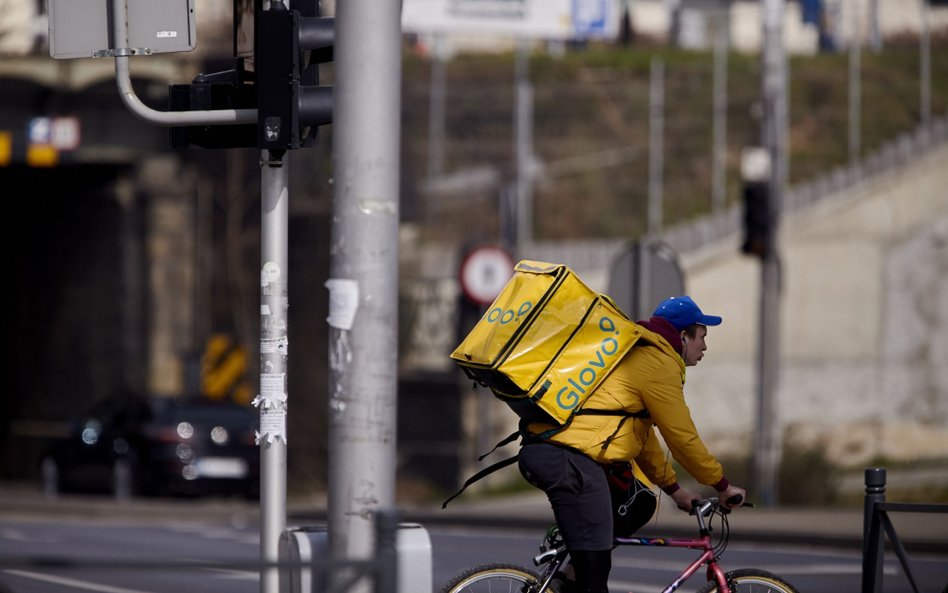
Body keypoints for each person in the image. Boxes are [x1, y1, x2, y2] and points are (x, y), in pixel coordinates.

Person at [517, 295, 747, 593]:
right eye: (702, 336)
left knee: (640, 501)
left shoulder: (640, 353)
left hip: (562, 454)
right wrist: (722, 485)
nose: (705, 346)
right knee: (595, 573)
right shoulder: (658, 362)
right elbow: (682, 438)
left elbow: (641, 437)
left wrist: (674, 490)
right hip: (569, 459)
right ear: (683, 336)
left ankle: (568, 576)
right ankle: (573, 575)